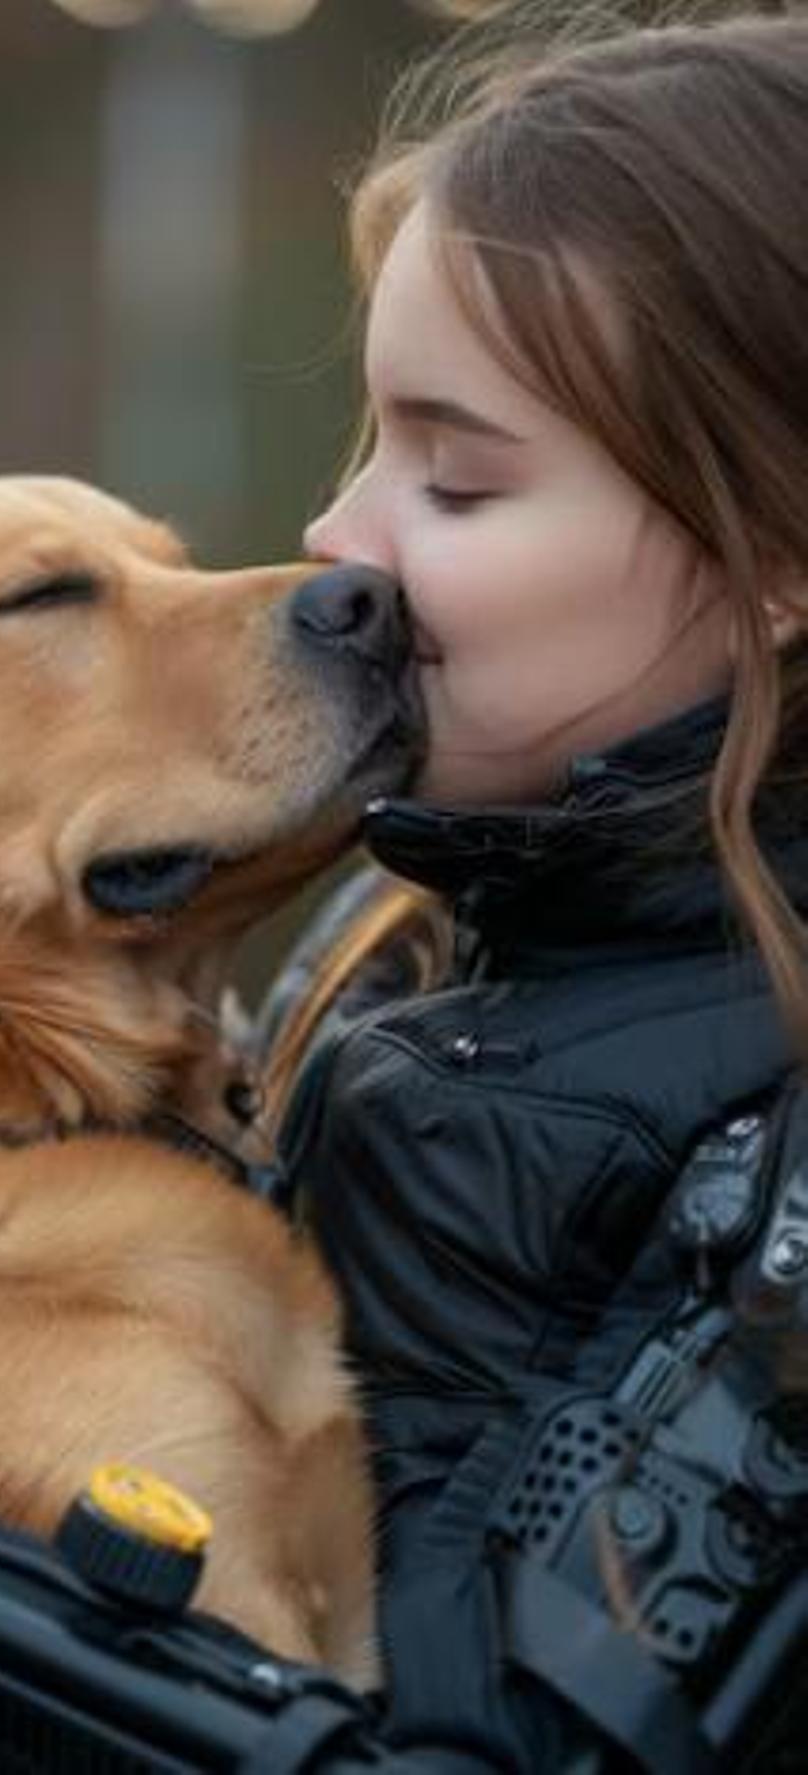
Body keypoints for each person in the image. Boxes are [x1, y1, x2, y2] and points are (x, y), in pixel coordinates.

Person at [268, 9, 808, 1770]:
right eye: (367, 446)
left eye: (456, 476)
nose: (340, 542)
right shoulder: (389, 944)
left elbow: (516, 1728)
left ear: (776, 557)